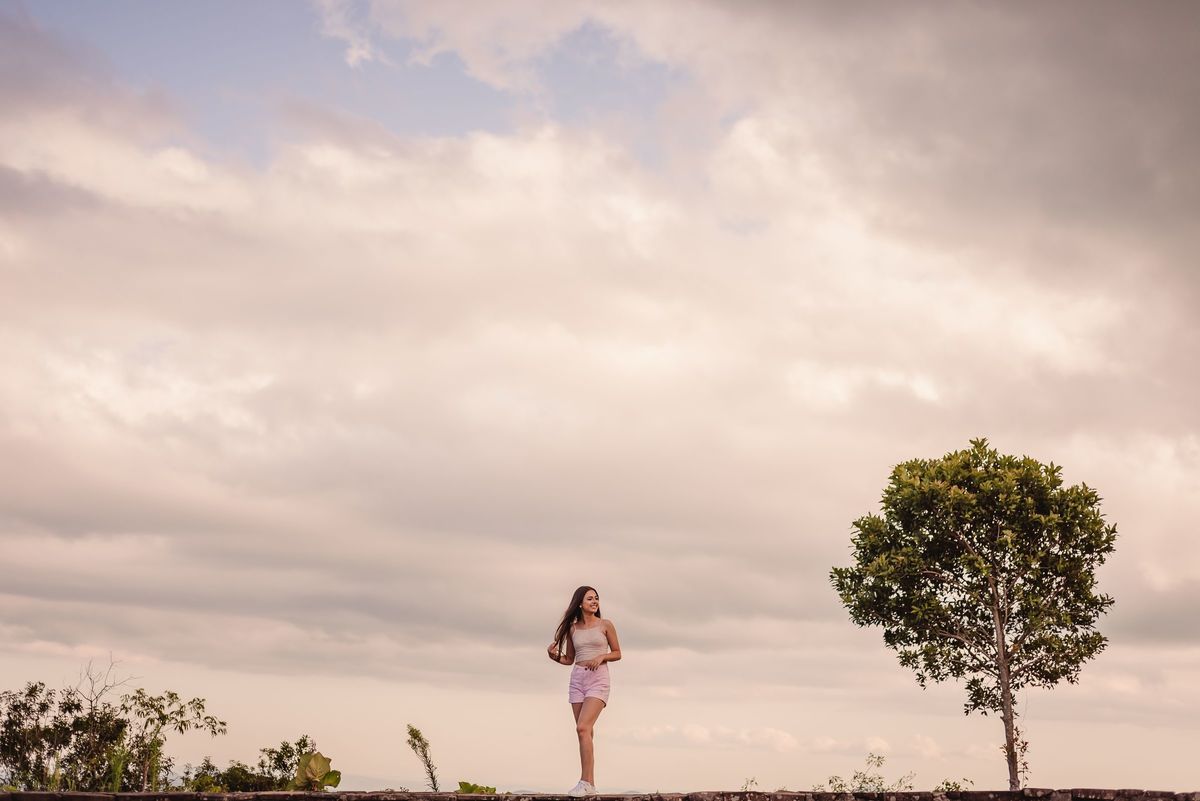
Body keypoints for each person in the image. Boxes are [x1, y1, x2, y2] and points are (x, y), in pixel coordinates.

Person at [546, 585, 622, 797]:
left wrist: (601, 656)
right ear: (580, 603)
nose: (594, 601)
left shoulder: (605, 625)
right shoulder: (573, 628)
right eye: (590, 598)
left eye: (596, 598)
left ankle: (585, 781)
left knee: (582, 728)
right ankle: (590, 784)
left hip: (598, 679)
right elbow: (569, 659)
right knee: (585, 733)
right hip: (578, 679)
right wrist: (553, 656)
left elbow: (617, 652)